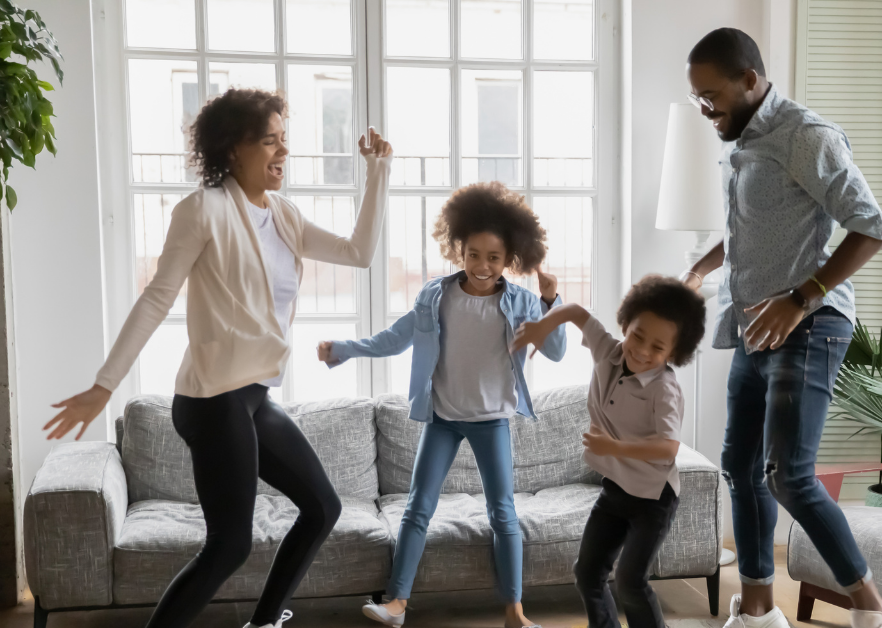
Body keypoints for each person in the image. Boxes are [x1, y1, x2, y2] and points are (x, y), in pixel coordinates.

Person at [42, 89, 393, 628]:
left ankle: (263, 622)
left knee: (323, 508)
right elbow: (156, 297)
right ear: (233, 149)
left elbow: (358, 253)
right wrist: (104, 384)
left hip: (251, 397)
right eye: (269, 140)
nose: (282, 151)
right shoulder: (202, 210)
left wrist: (378, 175)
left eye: (285, 140)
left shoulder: (284, 215)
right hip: (211, 400)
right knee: (230, 545)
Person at [680, 28, 882, 628]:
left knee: (788, 475)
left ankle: (876, 614)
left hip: (810, 325)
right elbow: (751, 227)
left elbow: (872, 226)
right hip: (754, 328)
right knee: (740, 465)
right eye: (697, 97)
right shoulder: (745, 139)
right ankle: (757, 612)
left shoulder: (806, 136)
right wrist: (698, 270)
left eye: (711, 95)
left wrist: (803, 297)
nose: (704, 109)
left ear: (750, 80)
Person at [317, 181, 566, 628]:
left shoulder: (523, 302)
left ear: (510, 257)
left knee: (503, 514)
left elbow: (558, 351)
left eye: (494, 257)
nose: (483, 266)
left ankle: (515, 612)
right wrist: (343, 348)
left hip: (492, 422)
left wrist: (551, 300)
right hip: (443, 418)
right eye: (473, 254)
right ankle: (396, 604)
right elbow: (392, 340)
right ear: (458, 250)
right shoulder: (437, 296)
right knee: (417, 508)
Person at [511, 275, 707, 628]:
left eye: (658, 347)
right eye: (637, 335)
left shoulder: (665, 390)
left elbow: (668, 448)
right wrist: (542, 326)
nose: (642, 350)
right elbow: (575, 310)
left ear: (674, 353)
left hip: (653, 499)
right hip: (615, 490)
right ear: (625, 324)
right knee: (587, 575)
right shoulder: (608, 350)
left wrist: (614, 447)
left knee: (631, 581)